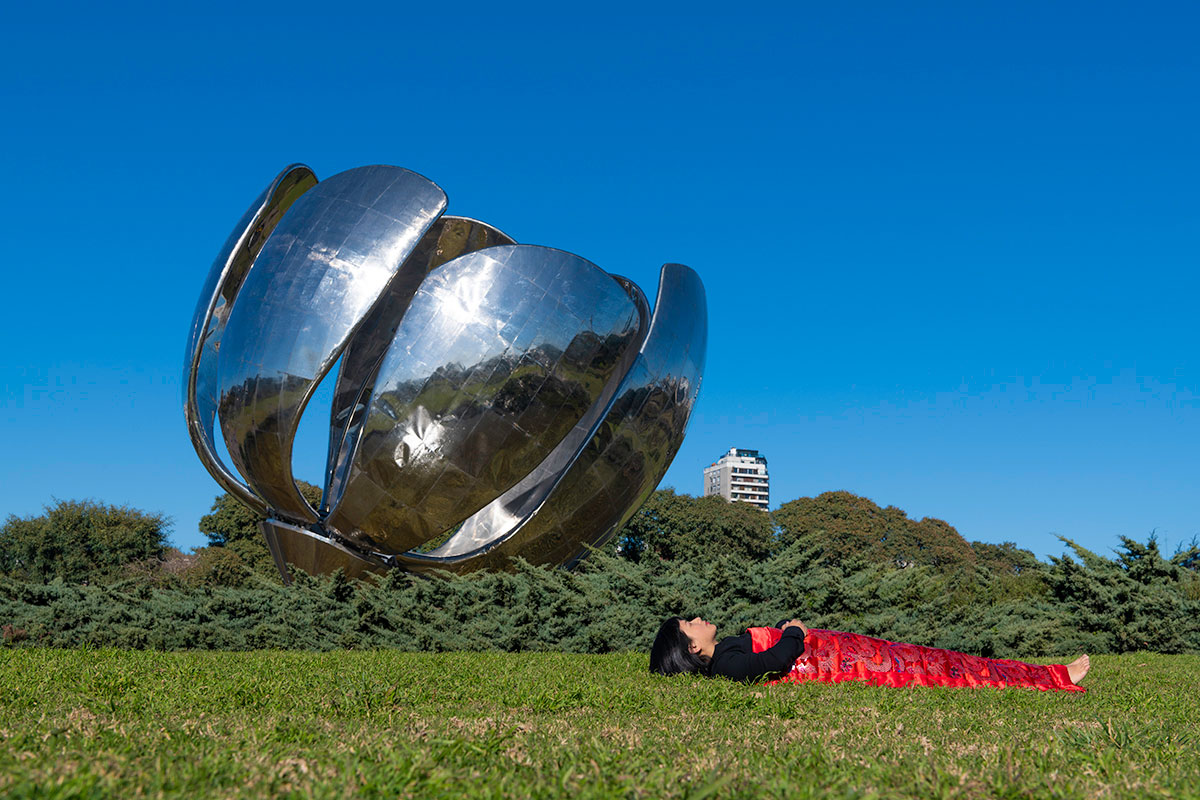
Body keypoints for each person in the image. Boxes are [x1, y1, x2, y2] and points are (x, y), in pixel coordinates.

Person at [650, 616, 1090, 692]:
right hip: (849, 661)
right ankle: (1052, 677)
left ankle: (1049, 673)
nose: (698, 619)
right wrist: (796, 634)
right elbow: (773, 663)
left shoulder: (726, 650)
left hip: (850, 650)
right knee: (947, 670)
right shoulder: (725, 664)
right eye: (690, 624)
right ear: (691, 647)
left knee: (942, 661)